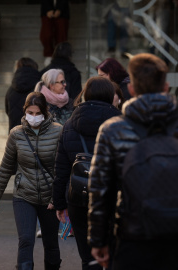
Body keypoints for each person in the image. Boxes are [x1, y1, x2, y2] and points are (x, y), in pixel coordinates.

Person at [88, 53, 178, 270]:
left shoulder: (112, 130)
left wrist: (98, 240)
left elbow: (101, 190)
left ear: (131, 89)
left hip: (133, 236)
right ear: (165, 87)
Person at [53, 76, 121, 270]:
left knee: (88, 258)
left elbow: (61, 169)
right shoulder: (122, 124)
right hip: (112, 199)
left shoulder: (69, 126)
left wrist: (59, 203)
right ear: (110, 95)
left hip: (79, 198)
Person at [0, 92, 62, 270]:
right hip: (23, 194)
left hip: (49, 197)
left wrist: (57, 197)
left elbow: (62, 169)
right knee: (26, 240)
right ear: (25, 111)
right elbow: (6, 166)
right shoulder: (16, 134)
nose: (34, 117)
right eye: (30, 112)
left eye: (38, 113)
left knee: (51, 242)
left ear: (45, 112)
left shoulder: (58, 131)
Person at [5, 57, 41, 132]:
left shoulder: (10, 90)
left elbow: (7, 111)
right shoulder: (39, 87)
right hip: (35, 134)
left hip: (15, 134)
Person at [40, 0, 70, 67]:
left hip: (63, 12)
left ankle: (60, 56)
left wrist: (59, 9)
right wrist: (48, 9)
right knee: (46, 34)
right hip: (46, 12)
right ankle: (49, 54)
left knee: (61, 35)